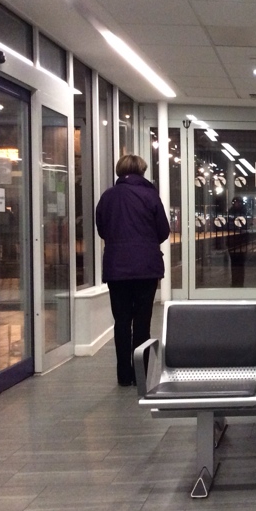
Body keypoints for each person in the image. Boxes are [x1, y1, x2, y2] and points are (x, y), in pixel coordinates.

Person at [96, 155, 170, 387]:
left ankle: (123, 375)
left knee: (121, 321)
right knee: (142, 322)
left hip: (116, 268)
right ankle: (141, 374)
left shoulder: (107, 197)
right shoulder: (150, 195)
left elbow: (102, 229)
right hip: (146, 268)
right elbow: (163, 231)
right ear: (142, 171)